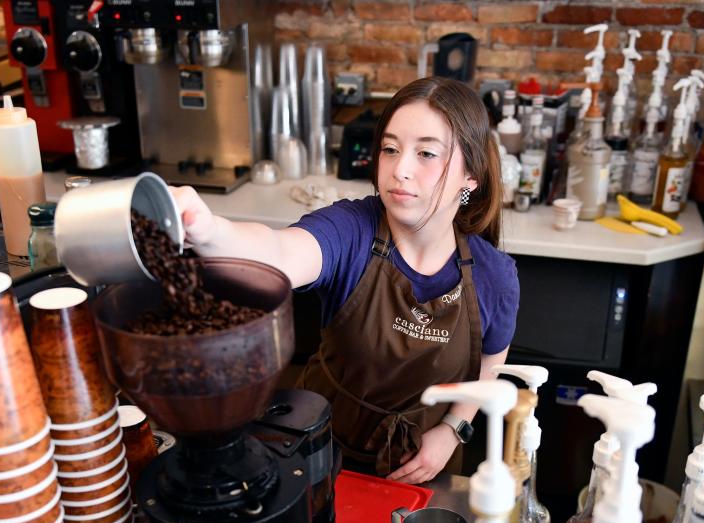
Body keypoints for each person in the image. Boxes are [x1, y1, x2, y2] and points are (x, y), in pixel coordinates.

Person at [170, 76, 519, 484]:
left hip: (423, 469)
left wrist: (452, 430)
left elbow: (490, 362)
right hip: (316, 455)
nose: (400, 169)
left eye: (426, 153)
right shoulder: (352, 230)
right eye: (390, 149)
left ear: (471, 176)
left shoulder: (494, 275)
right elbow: (279, 252)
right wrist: (209, 231)